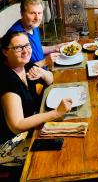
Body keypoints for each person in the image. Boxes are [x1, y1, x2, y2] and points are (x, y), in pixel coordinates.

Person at [0, 32, 72, 165]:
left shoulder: (24, 65)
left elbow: (50, 80)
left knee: (69, 135)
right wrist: (56, 112)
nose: (25, 51)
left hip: (30, 126)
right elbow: (17, 125)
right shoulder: (6, 79)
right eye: (18, 48)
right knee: (60, 153)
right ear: (5, 51)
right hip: (9, 143)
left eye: (27, 45)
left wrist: (43, 73)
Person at [7, 0, 65, 68]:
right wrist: (45, 61)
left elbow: (37, 49)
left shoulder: (34, 26)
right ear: (22, 13)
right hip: (32, 78)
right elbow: (18, 70)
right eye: (32, 13)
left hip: (43, 72)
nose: (37, 18)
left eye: (39, 13)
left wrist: (55, 48)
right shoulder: (16, 36)